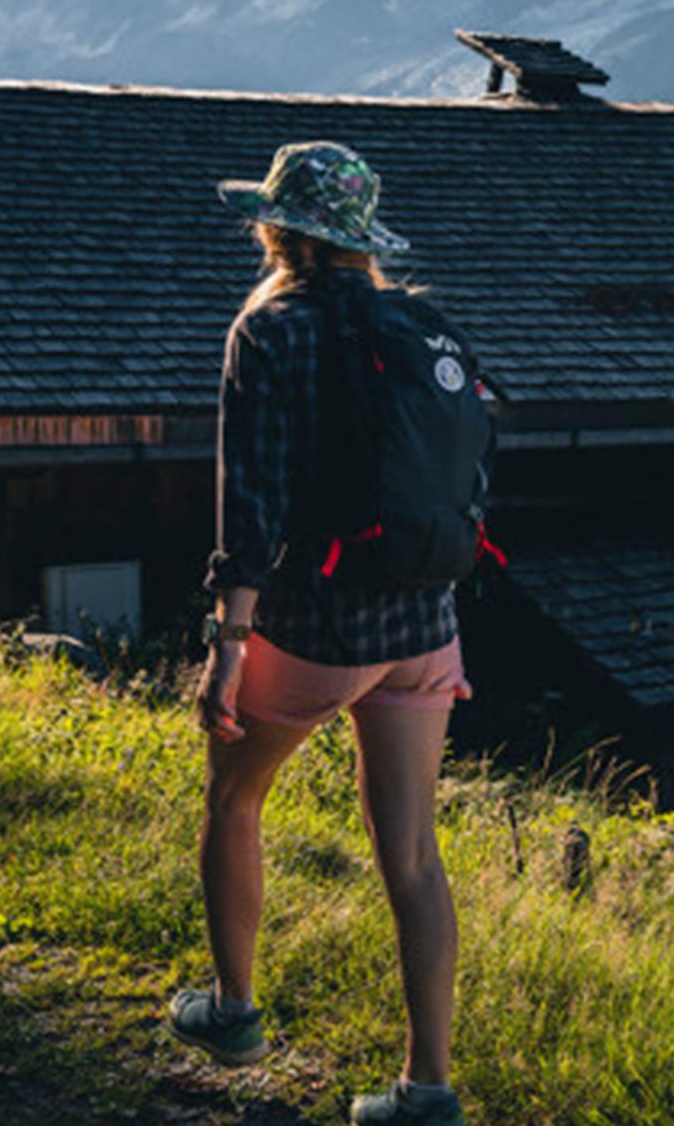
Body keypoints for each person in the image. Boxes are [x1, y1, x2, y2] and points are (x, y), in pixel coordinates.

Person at [166, 142, 475, 1126]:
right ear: (359, 240)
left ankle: (234, 1011)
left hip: (309, 630)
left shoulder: (270, 330)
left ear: (279, 228)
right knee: (414, 854)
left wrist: (229, 646)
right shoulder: (418, 322)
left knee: (235, 802)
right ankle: (427, 1090)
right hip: (424, 624)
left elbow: (249, 506)